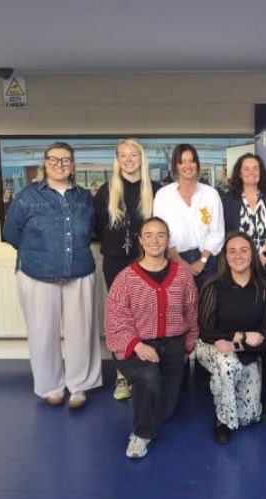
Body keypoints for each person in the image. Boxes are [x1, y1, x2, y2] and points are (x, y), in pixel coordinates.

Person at [3, 142, 101, 408]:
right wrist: (41, 253)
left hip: (79, 271)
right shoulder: (27, 196)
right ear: (45, 163)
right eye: (54, 160)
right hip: (36, 273)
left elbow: (90, 228)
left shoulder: (83, 197)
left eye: (66, 160)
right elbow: (11, 233)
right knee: (42, 332)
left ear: (73, 164)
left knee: (81, 333)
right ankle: (51, 387)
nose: (60, 165)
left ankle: (79, 386)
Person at [104, 217, 199, 459]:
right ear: (140, 241)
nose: (155, 240)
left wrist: (189, 344)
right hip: (138, 347)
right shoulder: (126, 278)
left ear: (168, 240)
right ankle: (140, 435)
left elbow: (191, 310)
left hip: (174, 345)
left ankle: (146, 407)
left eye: (160, 235)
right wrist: (136, 345)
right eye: (149, 235)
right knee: (148, 376)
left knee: (164, 414)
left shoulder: (182, 275)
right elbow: (115, 319)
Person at [195, 231, 266, 443]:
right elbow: (205, 331)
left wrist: (236, 345)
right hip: (212, 348)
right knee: (227, 364)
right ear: (225, 256)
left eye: (244, 250)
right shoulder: (213, 286)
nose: (238, 255)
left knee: (249, 417)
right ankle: (224, 420)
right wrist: (238, 336)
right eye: (232, 251)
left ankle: (225, 387)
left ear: (252, 254)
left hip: (247, 351)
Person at [94, 138, 160, 401]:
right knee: (120, 318)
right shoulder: (105, 190)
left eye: (134, 155)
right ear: (117, 160)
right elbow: (99, 228)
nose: (129, 159)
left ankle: (148, 371)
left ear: (141, 158)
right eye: (124, 155)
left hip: (146, 263)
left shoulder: (155, 189)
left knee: (147, 315)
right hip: (115, 262)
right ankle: (123, 375)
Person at [153, 143, 225, 288]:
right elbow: (160, 232)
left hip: (207, 259)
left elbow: (217, 232)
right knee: (178, 307)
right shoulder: (163, 195)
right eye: (182, 162)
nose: (188, 166)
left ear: (197, 164)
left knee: (207, 306)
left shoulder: (210, 194)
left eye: (192, 161)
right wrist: (179, 260)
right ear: (175, 166)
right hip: (174, 258)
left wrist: (202, 261)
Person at [222, 153, 266, 286]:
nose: (251, 172)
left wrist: (265, 256)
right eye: (246, 168)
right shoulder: (229, 200)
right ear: (239, 173)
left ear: (261, 172)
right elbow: (228, 233)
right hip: (240, 262)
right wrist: (244, 257)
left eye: (255, 168)